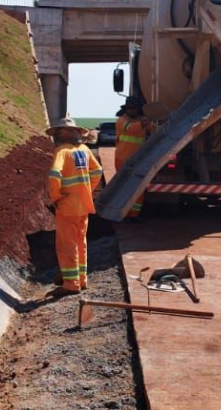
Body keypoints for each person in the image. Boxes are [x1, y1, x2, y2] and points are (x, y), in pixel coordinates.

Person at [47, 116, 103, 295]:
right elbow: (98, 171)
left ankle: (71, 284)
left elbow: (54, 174)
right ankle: (81, 280)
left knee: (67, 245)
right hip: (83, 205)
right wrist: (87, 189)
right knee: (81, 242)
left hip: (68, 206)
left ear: (60, 134)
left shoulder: (62, 151)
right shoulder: (84, 149)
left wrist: (56, 197)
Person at [114, 97, 154, 220]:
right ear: (126, 109)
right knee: (124, 187)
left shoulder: (140, 120)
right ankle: (123, 214)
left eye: (135, 108)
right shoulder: (121, 121)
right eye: (130, 108)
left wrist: (150, 123)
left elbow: (153, 130)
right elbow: (129, 129)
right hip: (123, 160)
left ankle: (134, 215)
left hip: (138, 160)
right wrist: (143, 123)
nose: (133, 110)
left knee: (138, 188)